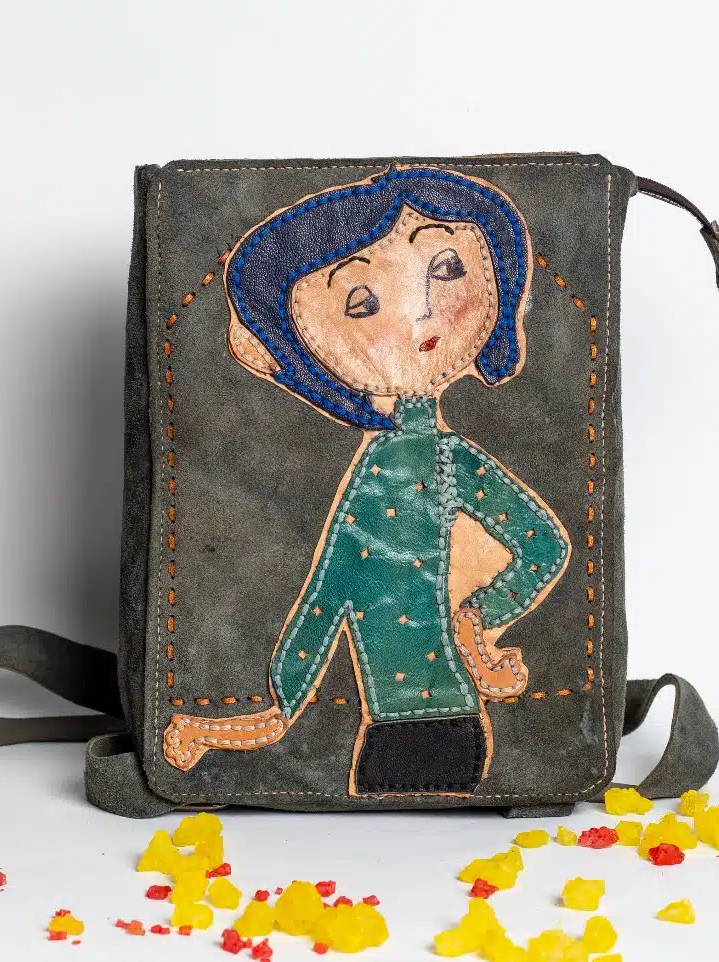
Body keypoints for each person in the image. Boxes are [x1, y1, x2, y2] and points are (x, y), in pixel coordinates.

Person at [164, 167, 570, 796]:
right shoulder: (389, 467)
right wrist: (268, 718)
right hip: (395, 725)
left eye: (446, 268)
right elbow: (333, 594)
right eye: (360, 302)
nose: (421, 310)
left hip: (440, 723)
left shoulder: (440, 462)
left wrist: (478, 619)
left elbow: (543, 546)